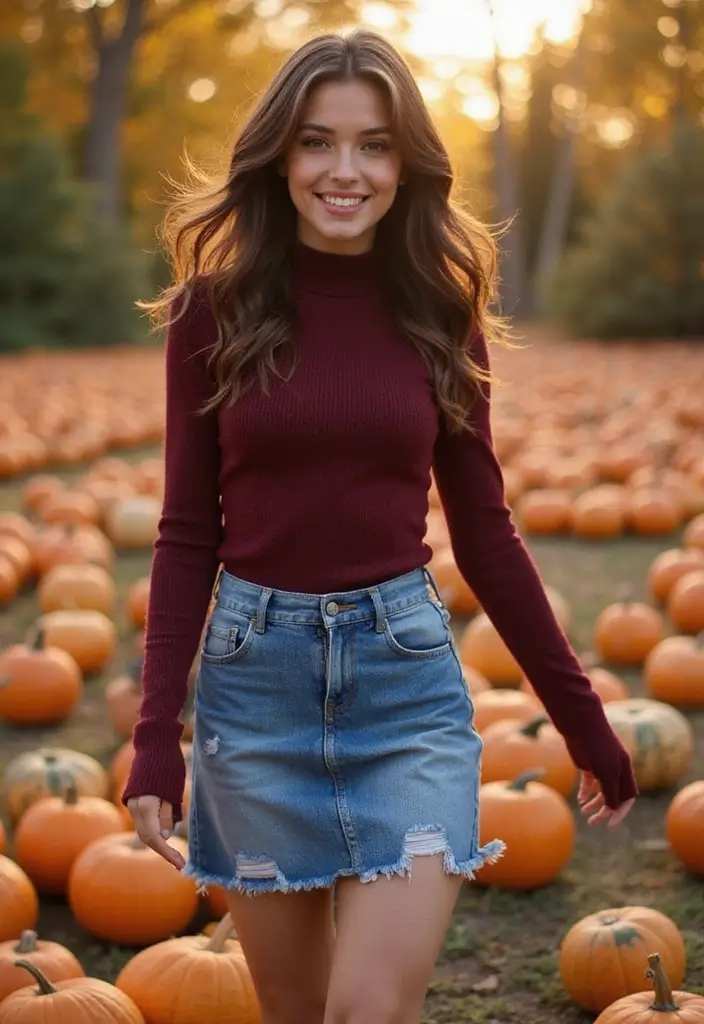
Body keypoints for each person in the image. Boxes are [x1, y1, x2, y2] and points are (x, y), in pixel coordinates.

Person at [123, 28, 637, 1024]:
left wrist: (581, 719)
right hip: (255, 692)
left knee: (366, 1012)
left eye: (374, 145)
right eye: (317, 141)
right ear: (280, 155)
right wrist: (155, 738)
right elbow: (187, 533)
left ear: (407, 164)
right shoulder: (210, 312)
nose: (344, 171)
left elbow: (486, 532)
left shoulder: (439, 310)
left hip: (405, 693)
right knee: (295, 1010)